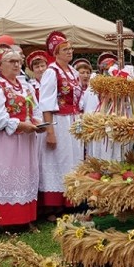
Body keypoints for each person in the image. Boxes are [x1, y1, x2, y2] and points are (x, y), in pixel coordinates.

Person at [0, 45, 45, 230]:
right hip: (4, 142)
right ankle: (0, 221)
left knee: (25, 176)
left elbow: (36, 108)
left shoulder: (25, 85)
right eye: (12, 61)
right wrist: (18, 125)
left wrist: (38, 123)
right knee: (5, 175)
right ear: (0, 65)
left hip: (25, 141)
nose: (17, 65)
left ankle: (24, 218)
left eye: (19, 61)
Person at [38, 31, 84, 218]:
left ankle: (71, 202)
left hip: (74, 120)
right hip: (58, 121)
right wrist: (50, 131)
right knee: (57, 161)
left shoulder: (73, 72)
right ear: (56, 52)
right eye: (65, 49)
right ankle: (53, 205)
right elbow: (46, 104)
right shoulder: (51, 72)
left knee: (73, 160)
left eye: (70, 49)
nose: (69, 52)